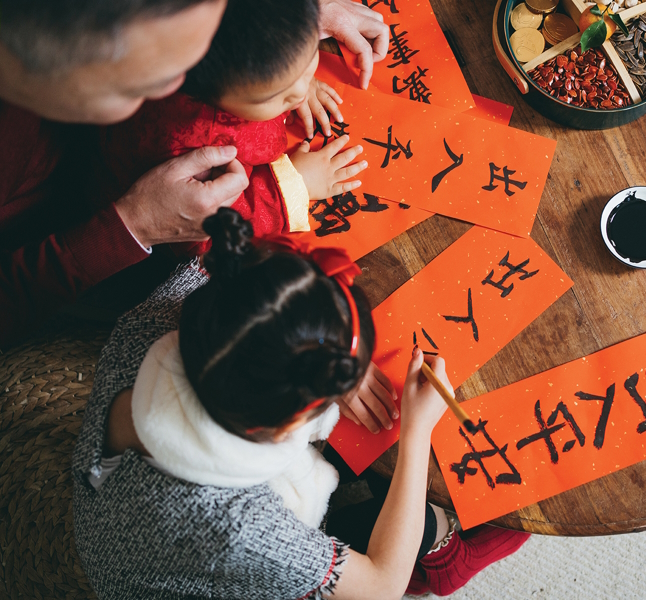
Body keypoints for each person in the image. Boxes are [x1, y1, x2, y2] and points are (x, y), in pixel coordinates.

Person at [72, 208, 529, 599]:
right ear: (284, 424)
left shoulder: (148, 323)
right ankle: (448, 554)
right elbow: (380, 586)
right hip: (174, 566)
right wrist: (416, 434)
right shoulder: (239, 527)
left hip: (126, 515)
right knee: (460, 523)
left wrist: (326, 355)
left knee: (385, 492)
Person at [0, 0, 390, 349]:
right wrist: (136, 225)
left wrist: (283, 29)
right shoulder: (180, 136)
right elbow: (204, 238)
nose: (180, 79)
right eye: (159, 74)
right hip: (86, 256)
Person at [95, 0, 368, 260]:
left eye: (308, 58)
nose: (299, 93)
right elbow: (205, 234)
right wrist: (293, 187)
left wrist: (293, 76)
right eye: (274, 94)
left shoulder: (258, 51)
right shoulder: (188, 146)